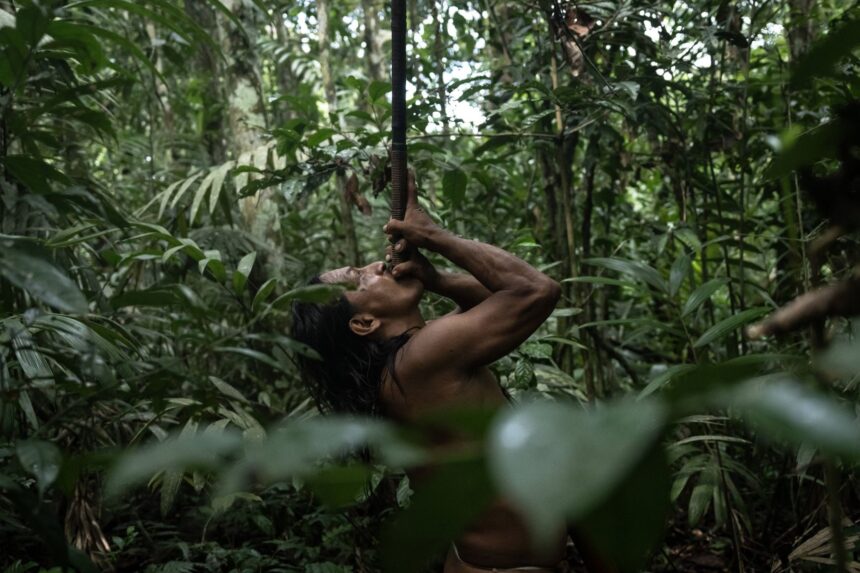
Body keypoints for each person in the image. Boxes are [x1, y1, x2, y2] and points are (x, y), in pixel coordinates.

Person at [292, 172, 569, 572]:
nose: (376, 266)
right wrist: (432, 235)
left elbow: (495, 300)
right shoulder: (421, 358)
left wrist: (436, 278)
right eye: (359, 277)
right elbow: (537, 290)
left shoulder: (408, 362)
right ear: (364, 323)